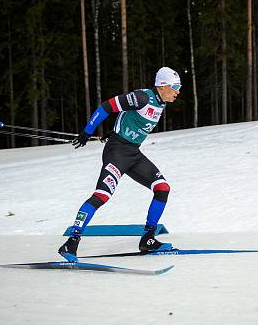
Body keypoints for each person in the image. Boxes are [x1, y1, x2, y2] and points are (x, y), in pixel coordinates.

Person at [58, 67, 181, 261]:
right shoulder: (142, 97)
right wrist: (87, 131)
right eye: (175, 86)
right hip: (117, 154)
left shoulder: (161, 103)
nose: (178, 91)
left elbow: (129, 117)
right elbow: (106, 106)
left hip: (133, 153)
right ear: (163, 85)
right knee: (102, 195)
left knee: (162, 188)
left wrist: (116, 130)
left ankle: (148, 239)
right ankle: (71, 242)